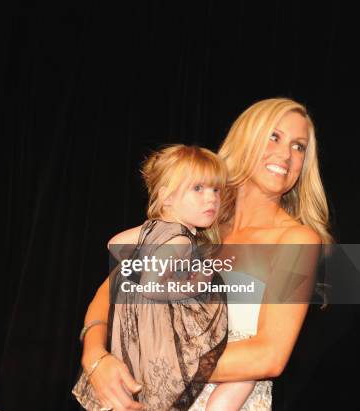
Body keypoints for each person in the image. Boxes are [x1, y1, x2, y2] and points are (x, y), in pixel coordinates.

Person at [79, 98, 330, 411]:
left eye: (299, 146)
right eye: (274, 136)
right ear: (246, 139)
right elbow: (108, 297)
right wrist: (96, 359)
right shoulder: (192, 224)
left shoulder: (298, 241)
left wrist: (151, 362)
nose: (286, 154)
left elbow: (269, 356)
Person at [73, 145, 261, 411]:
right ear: (167, 197)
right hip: (167, 336)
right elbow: (153, 286)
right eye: (198, 189)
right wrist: (194, 284)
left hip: (137, 334)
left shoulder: (151, 229)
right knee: (246, 375)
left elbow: (113, 244)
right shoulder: (180, 239)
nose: (211, 199)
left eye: (216, 190)